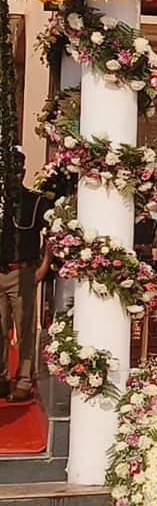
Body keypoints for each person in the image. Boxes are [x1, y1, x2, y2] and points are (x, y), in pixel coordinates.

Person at [0, 148, 51, 402]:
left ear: (23, 172)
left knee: (25, 328)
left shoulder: (36, 200)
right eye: (8, 172)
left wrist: (45, 264)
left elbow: (51, 233)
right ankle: (1, 378)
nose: (12, 177)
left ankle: (23, 379)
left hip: (24, 272)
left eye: (16, 172)